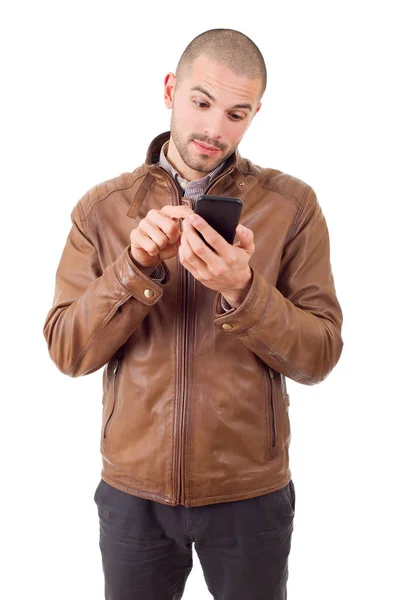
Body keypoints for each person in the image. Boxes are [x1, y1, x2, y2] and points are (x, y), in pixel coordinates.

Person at [43, 28, 343, 600]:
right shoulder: (100, 211)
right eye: (201, 103)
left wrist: (244, 290)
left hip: (250, 492)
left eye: (236, 113)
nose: (214, 129)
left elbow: (320, 355)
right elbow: (67, 351)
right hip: (134, 494)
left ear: (255, 113)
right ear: (170, 90)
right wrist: (134, 268)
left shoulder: (293, 206)